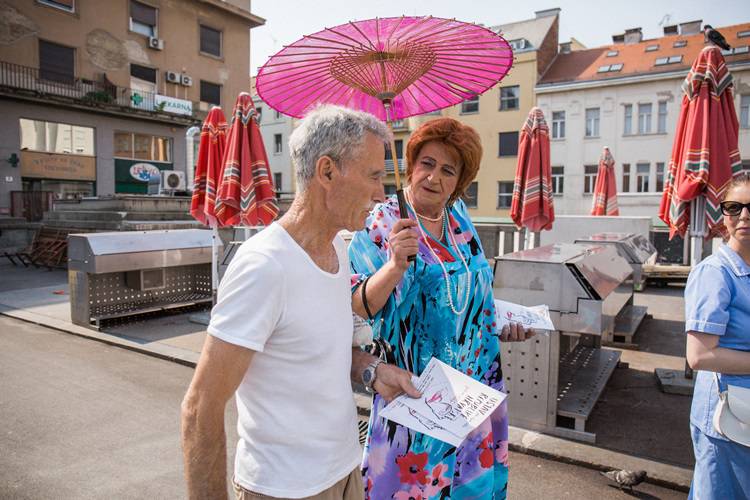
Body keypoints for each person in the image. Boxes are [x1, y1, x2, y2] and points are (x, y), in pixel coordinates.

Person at [181, 104, 418, 500]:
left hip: (345, 471)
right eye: (374, 176)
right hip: (284, 489)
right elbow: (200, 407)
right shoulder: (264, 266)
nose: (382, 194)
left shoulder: (337, 251)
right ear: (327, 171)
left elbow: (318, 353)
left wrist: (373, 371)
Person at [348, 117, 535, 499]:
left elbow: (468, 293)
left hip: (474, 394)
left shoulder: (458, 218)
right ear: (412, 165)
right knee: (412, 487)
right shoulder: (382, 223)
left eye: (447, 170)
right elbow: (358, 305)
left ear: (459, 182)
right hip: (417, 396)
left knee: (471, 489)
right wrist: (394, 266)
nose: (433, 177)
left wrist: (500, 322)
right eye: (427, 164)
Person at [684, 173, 750, 500]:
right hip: (728, 418)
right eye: (734, 207)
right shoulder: (715, 273)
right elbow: (698, 356)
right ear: (723, 214)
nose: (744, 216)